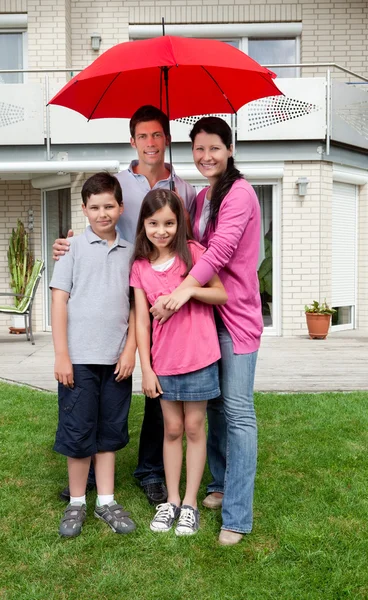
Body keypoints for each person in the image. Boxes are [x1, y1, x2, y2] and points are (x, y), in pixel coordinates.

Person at [53, 105, 196, 506]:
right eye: (143, 136)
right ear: (133, 141)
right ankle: (91, 477)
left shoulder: (182, 188)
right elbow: (95, 223)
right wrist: (68, 245)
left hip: (162, 296)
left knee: (156, 385)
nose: (151, 143)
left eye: (158, 135)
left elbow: (185, 238)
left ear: (167, 139)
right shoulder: (117, 182)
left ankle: (150, 470)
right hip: (123, 287)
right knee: (98, 398)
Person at [151, 117, 263, 546]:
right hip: (204, 321)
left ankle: (237, 515)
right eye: (198, 149)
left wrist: (180, 293)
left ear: (229, 149)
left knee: (237, 413)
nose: (206, 156)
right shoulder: (198, 197)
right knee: (213, 408)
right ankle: (217, 486)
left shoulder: (241, 193)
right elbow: (173, 238)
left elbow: (218, 252)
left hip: (235, 317)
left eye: (214, 148)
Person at [130, 189, 227, 535]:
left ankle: (189, 504)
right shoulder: (140, 268)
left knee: (194, 428)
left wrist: (184, 294)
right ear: (144, 224)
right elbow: (141, 321)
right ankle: (170, 501)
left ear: (180, 222)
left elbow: (220, 293)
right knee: (171, 429)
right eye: (154, 223)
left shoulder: (195, 254)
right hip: (164, 362)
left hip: (200, 358)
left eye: (169, 223)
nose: (161, 230)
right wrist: (147, 368)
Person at [50, 172, 137, 538]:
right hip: (80, 359)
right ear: (84, 209)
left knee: (109, 432)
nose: (102, 213)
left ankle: (105, 501)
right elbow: (59, 300)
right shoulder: (72, 249)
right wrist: (61, 355)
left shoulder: (132, 252)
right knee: (78, 430)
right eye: (95, 207)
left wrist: (130, 350)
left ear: (120, 207)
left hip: (117, 360)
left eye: (109, 206)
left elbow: (137, 307)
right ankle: (76, 502)